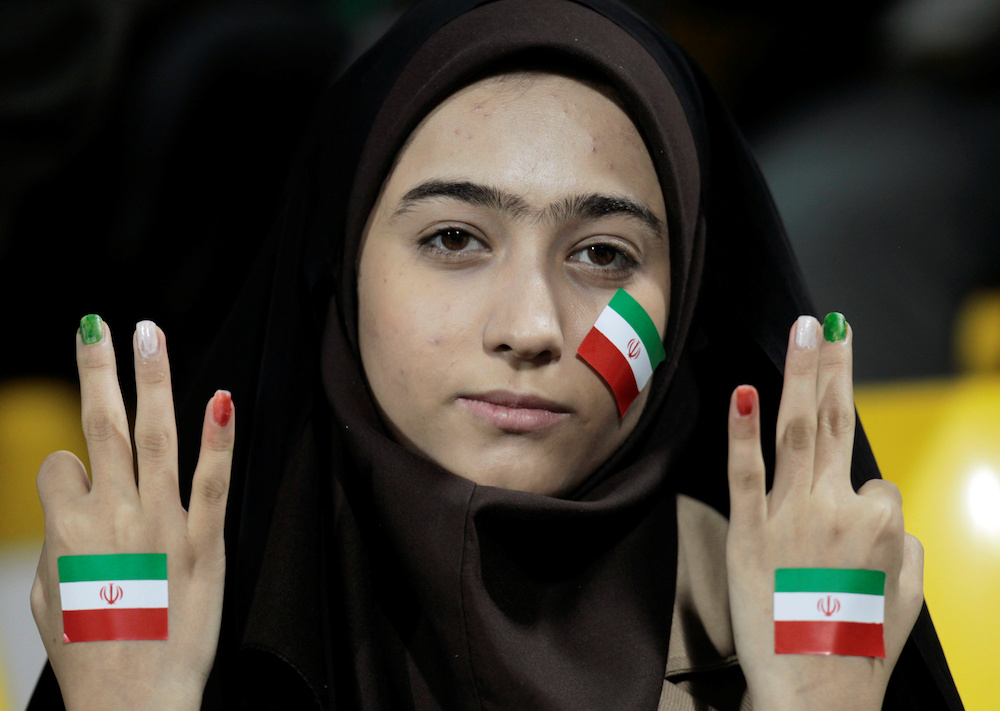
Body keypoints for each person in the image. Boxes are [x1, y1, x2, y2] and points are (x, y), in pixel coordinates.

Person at [27, 0, 964, 709]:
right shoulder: (172, 614)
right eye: (454, 240)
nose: (530, 325)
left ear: (688, 307)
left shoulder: (815, 620)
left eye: (603, 255)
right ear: (341, 266)